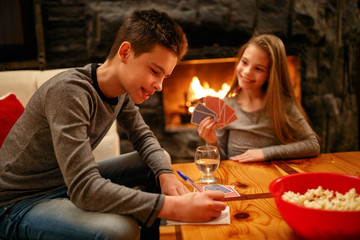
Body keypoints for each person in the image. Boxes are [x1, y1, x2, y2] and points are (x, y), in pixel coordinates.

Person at [0, 9, 226, 240]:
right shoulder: (69, 92)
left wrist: (166, 175)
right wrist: (172, 206)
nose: (159, 86)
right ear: (125, 52)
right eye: (154, 71)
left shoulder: (121, 91)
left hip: (65, 182)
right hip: (19, 203)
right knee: (121, 230)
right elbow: (84, 189)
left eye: (165, 77)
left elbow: (144, 138)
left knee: (157, 163)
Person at [197, 34, 320, 162]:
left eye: (258, 69)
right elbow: (220, 160)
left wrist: (264, 153)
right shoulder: (223, 106)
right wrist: (211, 141)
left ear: (271, 74)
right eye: (244, 62)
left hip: (269, 176)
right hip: (236, 179)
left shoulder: (281, 105)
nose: (247, 72)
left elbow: (313, 145)